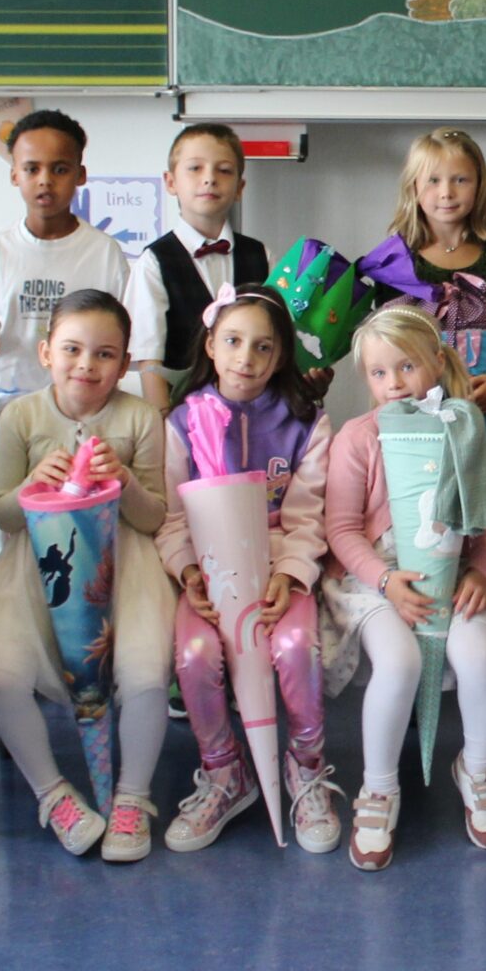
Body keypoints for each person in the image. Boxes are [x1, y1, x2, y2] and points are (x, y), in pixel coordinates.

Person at [0, 290, 171, 862]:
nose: (87, 365)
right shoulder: (19, 415)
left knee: (145, 674)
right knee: (4, 675)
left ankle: (132, 797)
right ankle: (53, 792)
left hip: (123, 569)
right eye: (72, 349)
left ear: (124, 364)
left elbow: (153, 518)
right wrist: (29, 491)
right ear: (46, 352)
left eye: (104, 355)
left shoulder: (141, 417)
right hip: (35, 571)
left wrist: (123, 480)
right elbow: (0, 513)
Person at [152, 287, 346, 855]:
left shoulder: (306, 422)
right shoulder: (183, 421)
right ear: (210, 344)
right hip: (208, 572)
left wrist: (288, 574)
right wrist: (188, 572)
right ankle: (224, 772)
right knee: (195, 654)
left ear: (281, 356)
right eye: (233, 342)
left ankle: (306, 769)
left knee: (294, 648)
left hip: (277, 569)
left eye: (263, 348)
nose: (246, 358)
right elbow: (170, 518)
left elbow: (310, 517)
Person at [320, 305, 486, 870]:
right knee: (399, 664)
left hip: (450, 571)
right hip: (373, 578)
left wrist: (482, 570)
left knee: (480, 656)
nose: (393, 383)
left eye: (405, 367)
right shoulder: (359, 438)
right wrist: (383, 579)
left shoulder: (463, 425)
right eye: (378, 374)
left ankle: (477, 767)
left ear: (437, 362)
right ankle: (378, 789)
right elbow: (340, 529)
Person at [0, 110, 130, 586]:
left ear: (80, 174)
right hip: (11, 414)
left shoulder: (103, 252)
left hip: (81, 420)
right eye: (31, 168)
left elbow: (118, 334)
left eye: (59, 169)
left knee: (75, 542)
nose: (44, 181)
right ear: (13, 173)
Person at [373, 127, 486, 467]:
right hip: (416, 419)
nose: (446, 192)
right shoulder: (396, 262)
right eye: (433, 180)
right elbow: (382, 346)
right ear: (414, 186)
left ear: (479, 186)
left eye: (460, 179)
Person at [125, 123, 276, 412]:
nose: (209, 179)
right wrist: (165, 428)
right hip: (183, 417)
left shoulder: (261, 255)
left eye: (224, 170)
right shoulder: (154, 262)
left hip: (255, 414)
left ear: (240, 188)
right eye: (195, 168)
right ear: (170, 182)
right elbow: (149, 361)